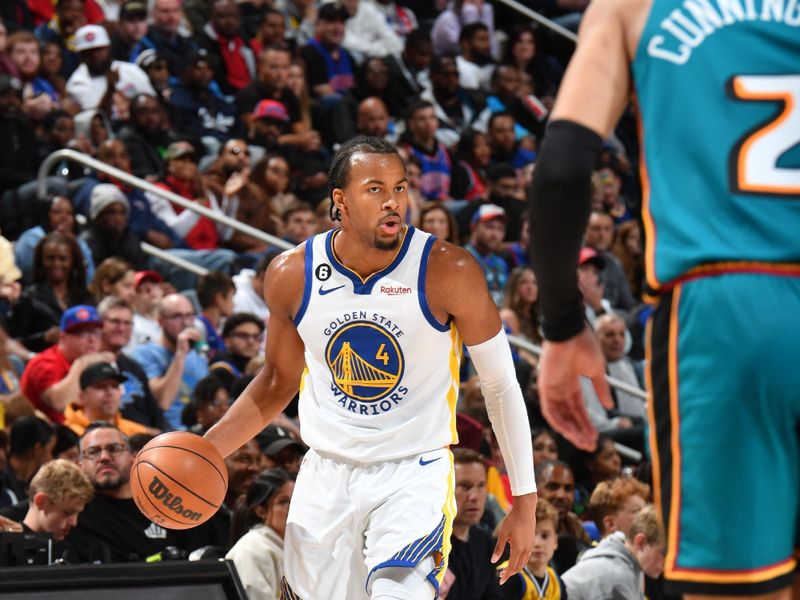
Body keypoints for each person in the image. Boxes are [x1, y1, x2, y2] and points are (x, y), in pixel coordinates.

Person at [528, 2, 800, 596]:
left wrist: (561, 324)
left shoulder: (631, 7)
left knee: (737, 584)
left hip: (728, 310)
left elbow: (561, 170)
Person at [204, 137, 537, 599]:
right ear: (340, 200)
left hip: (413, 470)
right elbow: (278, 381)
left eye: (400, 189)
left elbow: (501, 386)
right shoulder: (291, 273)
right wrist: (205, 451)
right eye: (375, 189)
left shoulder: (449, 269)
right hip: (325, 472)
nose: (393, 203)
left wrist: (525, 499)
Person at [19, 304, 114, 424]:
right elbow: (60, 404)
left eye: (95, 332)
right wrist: (83, 363)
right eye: (82, 333)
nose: (91, 339)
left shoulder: (97, 361)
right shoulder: (45, 362)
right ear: (62, 337)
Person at [133, 293, 209, 430]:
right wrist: (180, 355)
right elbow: (162, 402)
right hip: (166, 435)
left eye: (189, 315)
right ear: (160, 321)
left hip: (200, 432)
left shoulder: (196, 355)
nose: (186, 323)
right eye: (177, 316)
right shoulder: (145, 354)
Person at [562, 505, 665, 599]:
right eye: (664, 553)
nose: (669, 564)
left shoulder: (629, 560)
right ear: (641, 542)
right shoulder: (618, 577)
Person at [443, 448, 503, 600]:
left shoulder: (485, 542)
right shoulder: (430, 545)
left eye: (481, 486)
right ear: (444, 489)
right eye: (465, 486)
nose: (474, 496)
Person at [225, 468, 295, 600]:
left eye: (296, 500)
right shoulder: (251, 550)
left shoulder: (295, 547)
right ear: (261, 511)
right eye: (284, 501)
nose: (294, 507)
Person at [496, 499, 565, 600]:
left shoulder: (557, 583)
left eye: (545, 536)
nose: (537, 543)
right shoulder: (505, 577)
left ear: (555, 541)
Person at [64, 360, 150, 437]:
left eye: (115, 386)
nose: (110, 392)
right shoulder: (67, 435)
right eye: (100, 387)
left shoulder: (137, 433)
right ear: (82, 397)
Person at [21, 458, 94, 542]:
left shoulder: (69, 548)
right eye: (68, 513)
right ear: (41, 501)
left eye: (77, 514)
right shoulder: (7, 549)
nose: (74, 522)